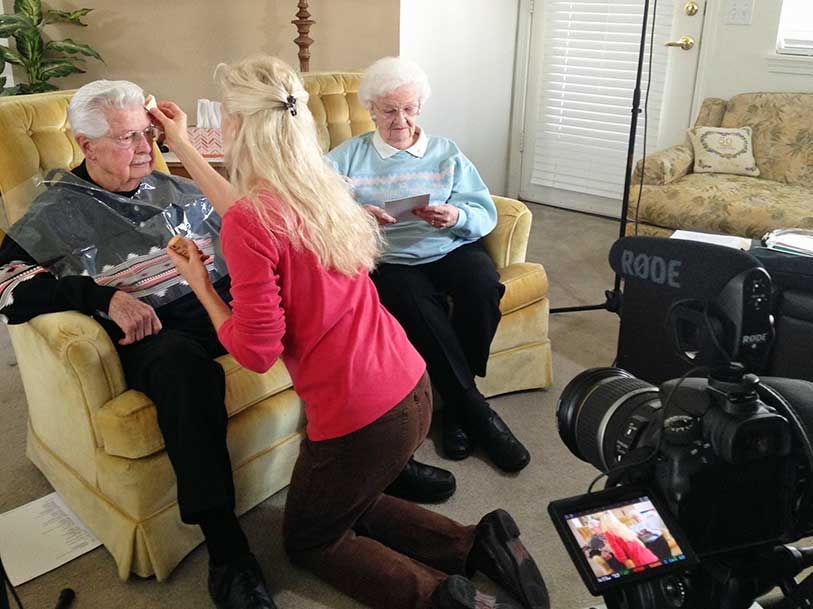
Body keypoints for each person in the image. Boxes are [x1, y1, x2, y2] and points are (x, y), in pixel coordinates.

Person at [0, 79, 446, 609]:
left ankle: (375, 461)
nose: (144, 148)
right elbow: (8, 284)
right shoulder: (55, 211)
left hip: (219, 301)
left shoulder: (177, 187)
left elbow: (259, 228)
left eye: (147, 134)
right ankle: (228, 549)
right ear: (85, 145)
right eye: (127, 138)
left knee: (320, 300)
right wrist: (101, 297)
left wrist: (329, 225)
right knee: (184, 373)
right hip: (160, 329)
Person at [150, 54, 550, 609]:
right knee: (347, 497)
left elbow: (257, 352)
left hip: (359, 417)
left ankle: (442, 597)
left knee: (310, 538)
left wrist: (201, 285)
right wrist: (180, 143)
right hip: (411, 385)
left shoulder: (253, 220)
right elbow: (247, 213)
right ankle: (478, 543)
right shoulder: (322, 185)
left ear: (238, 126)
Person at [326, 56, 530, 472]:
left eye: (408, 109)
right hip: (391, 257)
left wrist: (456, 216)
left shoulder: (445, 152)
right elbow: (317, 208)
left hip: (449, 245)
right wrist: (356, 215)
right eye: (389, 110)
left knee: (482, 283)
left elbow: (483, 210)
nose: (400, 120)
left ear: (419, 107)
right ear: (371, 109)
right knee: (413, 302)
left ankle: (456, 406)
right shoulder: (346, 158)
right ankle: (474, 412)